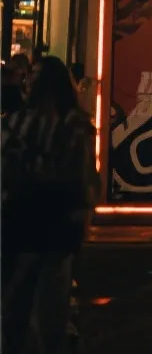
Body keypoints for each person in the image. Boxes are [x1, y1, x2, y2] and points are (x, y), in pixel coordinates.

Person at [2, 56, 98, 354]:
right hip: (58, 220)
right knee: (53, 305)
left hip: (18, 218)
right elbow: (82, 177)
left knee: (15, 303)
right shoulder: (77, 125)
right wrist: (83, 214)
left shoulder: (13, 124)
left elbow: (5, 172)